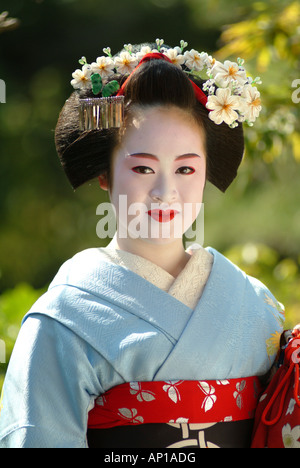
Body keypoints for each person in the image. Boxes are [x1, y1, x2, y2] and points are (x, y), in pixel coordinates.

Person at [0, 40, 287, 448]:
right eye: (142, 167)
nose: (165, 191)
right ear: (104, 173)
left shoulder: (253, 304)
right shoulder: (64, 319)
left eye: (186, 168)